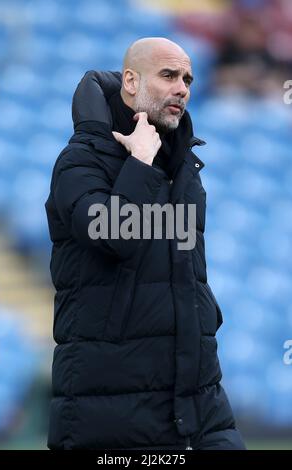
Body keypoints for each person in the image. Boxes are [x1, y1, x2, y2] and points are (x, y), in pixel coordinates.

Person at [45, 37, 246, 450]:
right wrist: (139, 163)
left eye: (188, 79)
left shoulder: (184, 166)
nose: (183, 89)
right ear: (132, 81)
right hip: (112, 408)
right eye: (169, 75)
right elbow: (113, 235)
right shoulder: (80, 160)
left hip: (198, 397)